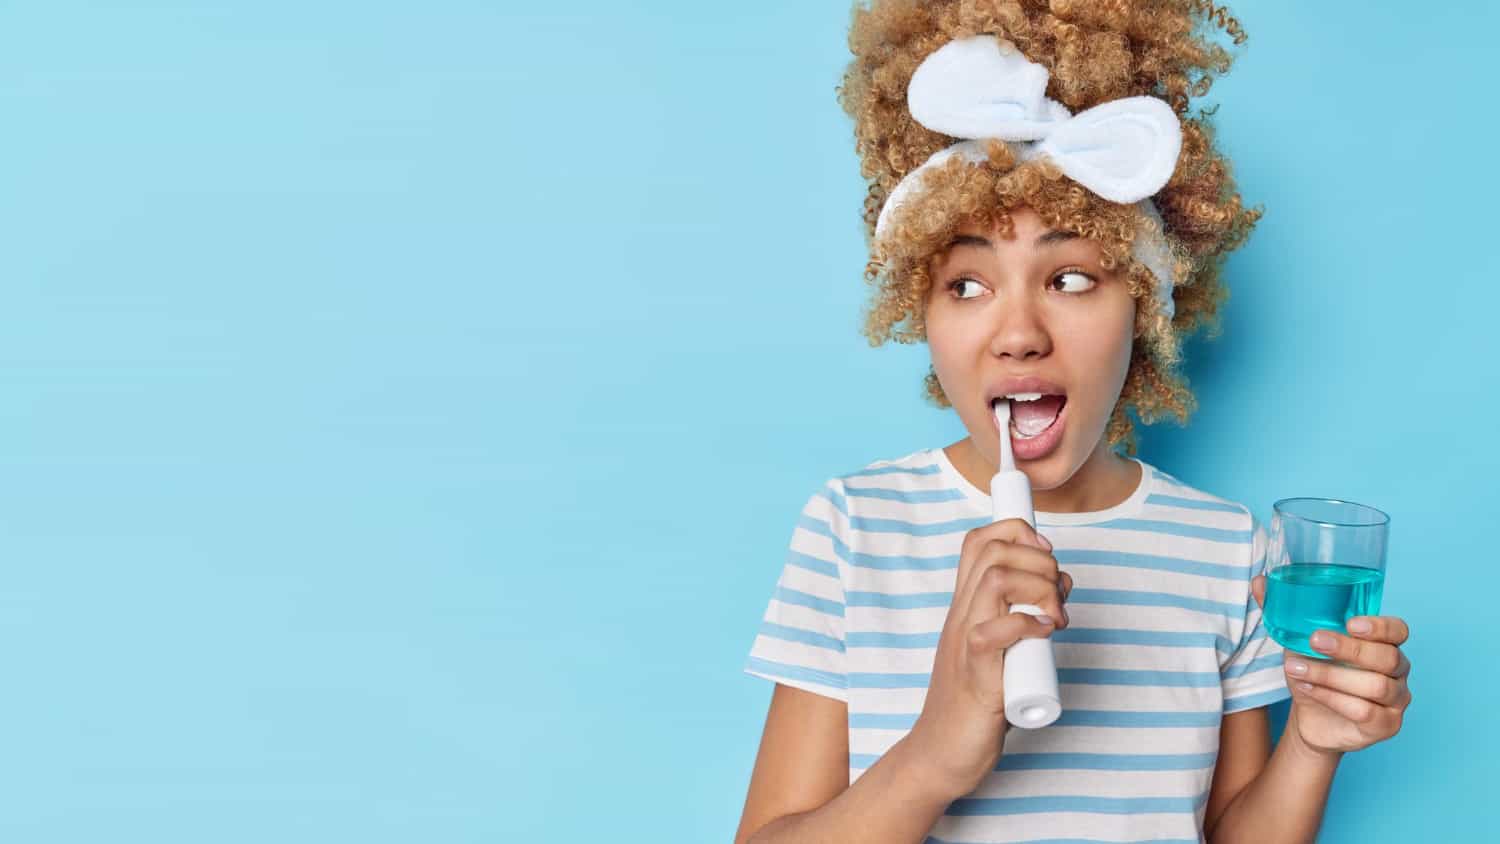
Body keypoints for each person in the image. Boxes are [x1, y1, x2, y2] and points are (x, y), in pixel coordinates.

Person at [734, 3, 1414, 842]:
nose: (1018, 334)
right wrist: (938, 751)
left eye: (1072, 279)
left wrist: (1313, 746)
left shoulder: (1228, 549)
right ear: (920, 309)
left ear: (1149, 305)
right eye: (969, 286)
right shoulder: (857, 528)